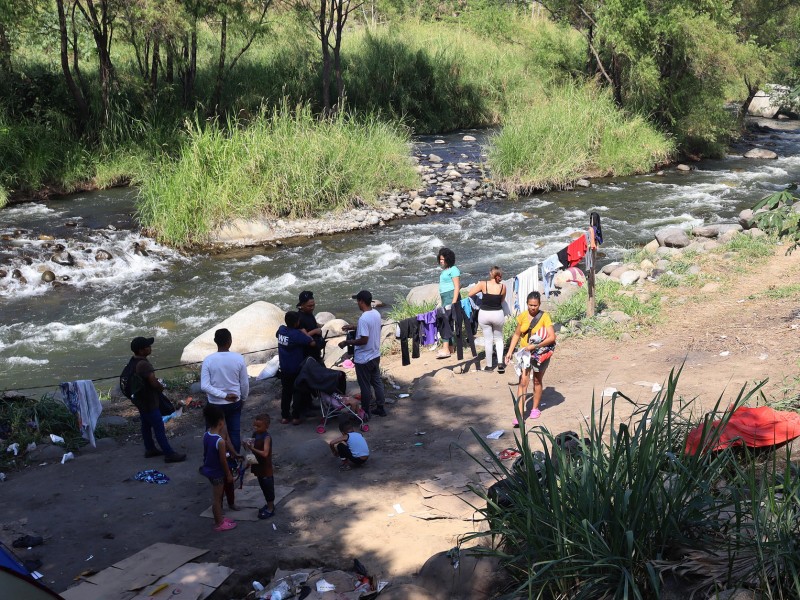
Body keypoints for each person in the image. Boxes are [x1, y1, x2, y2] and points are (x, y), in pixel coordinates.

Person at [129, 336, 186, 463]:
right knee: (159, 427)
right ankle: (169, 454)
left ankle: (150, 449)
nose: (150, 348)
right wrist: (161, 387)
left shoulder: (133, 361)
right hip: (149, 401)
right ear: (141, 350)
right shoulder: (144, 364)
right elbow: (154, 383)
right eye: (148, 346)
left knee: (146, 424)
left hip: (140, 401)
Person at [504, 292, 556, 426]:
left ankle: (535, 408)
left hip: (540, 353)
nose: (533, 308)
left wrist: (535, 345)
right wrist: (510, 352)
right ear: (527, 304)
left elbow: (551, 337)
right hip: (525, 354)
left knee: (537, 380)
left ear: (539, 304)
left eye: (535, 305)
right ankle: (519, 415)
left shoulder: (544, 317)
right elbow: (516, 335)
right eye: (530, 305)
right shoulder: (522, 316)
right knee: (523, 383)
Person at [339, 290, 387, 418]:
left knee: (365, 386)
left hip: (364, 359)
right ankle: (381, 408)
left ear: (361, 301)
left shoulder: (364, 318)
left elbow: (364, 339)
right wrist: (353, 327)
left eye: (357, 301)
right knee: (377, 382)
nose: (357, 304)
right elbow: (369, 328)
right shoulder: (376, 313)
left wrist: (347, 342)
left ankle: (365, 412)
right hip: (375, 354)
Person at [200, 328, 249, 453]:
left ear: (215, 341)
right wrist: (242, 399)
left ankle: (211, 460)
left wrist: (222, 395)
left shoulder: (208, 360)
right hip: (234, 402)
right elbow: (244, 384)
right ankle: (234, 460)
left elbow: (204, 386)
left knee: (212, 432)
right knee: (234, 432)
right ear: (230, 341)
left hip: (214, 404)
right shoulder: (238, 358)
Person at [200, 404, 237, 532]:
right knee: (217, 499)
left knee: (217, 497)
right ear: (221, 422)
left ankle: (220, 519)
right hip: (217, 473)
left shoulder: (206, 435)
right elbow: (223, 460)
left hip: (209, 469)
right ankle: (219, 523)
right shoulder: (220, 441)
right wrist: (228, 474)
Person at [276, 311, 315, 425]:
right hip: (296, 368)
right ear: (297, 322)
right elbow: (312, 343)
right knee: (297, 391)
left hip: (284, 368)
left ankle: (284, 416)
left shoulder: (281, 330)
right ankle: (296, 417)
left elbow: (279, 334)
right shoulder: (297, 335)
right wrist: (306, 333)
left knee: (286, 392)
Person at [468, 266, 507, 373]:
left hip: (484, 314)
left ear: (491, 274)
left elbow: (470, 294)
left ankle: (489, 367)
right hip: (497, 314)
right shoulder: (503, 287)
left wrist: (482, 297)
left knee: (488, 340)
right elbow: (502, 301)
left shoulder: (482, 284)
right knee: (499, 339)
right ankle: (500, 364)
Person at [243, 414, 274, 520]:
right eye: (254, 425)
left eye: (258, 426)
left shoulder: (267, 437)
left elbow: (265, 453)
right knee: (263, 486)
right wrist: (249, 461)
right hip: (258, 466)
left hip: (266, 467)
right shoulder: (255, 434)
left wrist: (252, 448)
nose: (256, 428)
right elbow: (250, 448)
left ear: (267, 426)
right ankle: (269, 505)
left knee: (268, 487)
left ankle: (270, 508)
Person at [437, 247, 460, 359]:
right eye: (440, 259)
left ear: (448, 259)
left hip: (451, 297)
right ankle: (451, 347)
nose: (441, 261)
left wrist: (454, 302)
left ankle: (445, 348)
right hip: (445, 297)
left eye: (442, 259)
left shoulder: (454, 269)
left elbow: (456, 287)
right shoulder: (445, 271)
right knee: (448, 321)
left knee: (444, 320)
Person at [296, 290, 324, 361]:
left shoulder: (309, 312)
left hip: (316, 351)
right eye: (309, 306)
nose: (312, 308)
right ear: (302, 305)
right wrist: (315, 331)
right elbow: (302, 337)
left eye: (313, 305)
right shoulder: (299, 318)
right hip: (308, 354)